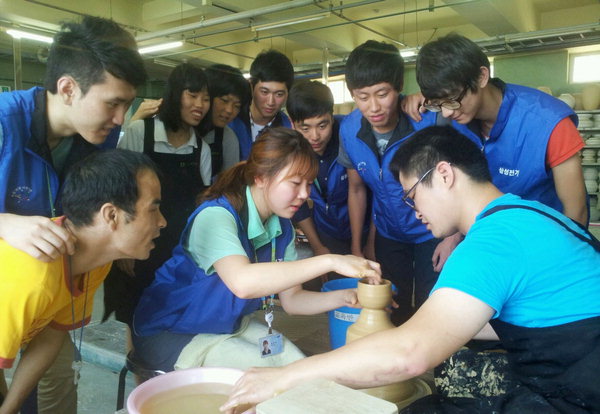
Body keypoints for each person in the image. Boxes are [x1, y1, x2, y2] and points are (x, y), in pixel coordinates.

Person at [222, 126, 600, 414]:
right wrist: (409, 332)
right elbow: (487, 319)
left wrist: (282, 378)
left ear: (445, 175)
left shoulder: (493, 242)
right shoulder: (525, 214)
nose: (413, 211)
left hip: (580, 390)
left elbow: (410, 356)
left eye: (412, 196)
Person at [131, 127, 381, 373]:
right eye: (295, 183)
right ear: (260, 178)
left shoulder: (282, 227)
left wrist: (346, 298)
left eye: (308, 184)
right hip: (170, 332)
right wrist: (330, 261)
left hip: (225, 326)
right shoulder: (216, 216)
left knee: (298, 366)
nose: (304, 195)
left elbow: (292, 300)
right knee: (272, 379)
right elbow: (243, 283)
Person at [0, 15, 146, 414]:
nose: (120, 119)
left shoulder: (101, 136)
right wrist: (5, 223)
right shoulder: (4, 124)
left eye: (127, 104)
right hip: (7, 297)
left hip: (53, 295)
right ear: (67, 88)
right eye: (113, 103)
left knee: (58, 381)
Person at [0, 149, 166, 414]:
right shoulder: (32, 275)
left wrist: (11, 406)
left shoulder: (94, 264)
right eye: (153, 210)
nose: (162, 222)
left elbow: (51, 334)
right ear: (111, 215)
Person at [337, 40, 475, 325]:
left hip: (433, 231)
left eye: (382, 93)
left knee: (433, 304)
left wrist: (452, 237)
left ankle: (436, 367)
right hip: (389, 233)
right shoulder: (349, 130)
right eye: (362, 96)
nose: (373, 106)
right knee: (390, 304)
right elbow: (356, 188)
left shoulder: (429, 120)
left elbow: (461, 181)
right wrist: (357, 245)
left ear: (399, 86)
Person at [403, 33, 588, 226]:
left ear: (482, 77)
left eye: (451, 100)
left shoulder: (549, 122)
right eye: (438, 104)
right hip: (490, 234)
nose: (447, 113)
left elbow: (577, 212)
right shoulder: (457, 118)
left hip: (543, 237)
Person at [103, 63, 212, 326]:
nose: (200, 104)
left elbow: (203, 203)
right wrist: (122, 250)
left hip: (179, 252)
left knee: (173, 312)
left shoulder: (201, 148)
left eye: (206, 99)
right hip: (138, 246)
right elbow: (118, 193)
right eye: (193, 95)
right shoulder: (140, 133)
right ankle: (137, 366)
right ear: (175, 95)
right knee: (135, 312)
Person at [287, 80, 368, 260]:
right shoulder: (292, 148)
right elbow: (298, 205)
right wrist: (318, 246)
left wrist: (358, 246)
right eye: (305, 128)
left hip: (364, 228)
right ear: (293, 124)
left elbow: (360, 189)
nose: (315, 137)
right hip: (327, 231)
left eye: (322, 126)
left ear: (332, 116)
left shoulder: (351, 137)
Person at [229, 50, 293, 160]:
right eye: (264, 92)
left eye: (279, 94)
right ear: (251, 86)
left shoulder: (288, 130)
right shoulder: (231, 119)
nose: (270, 102)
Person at [201, 64, 251, 177]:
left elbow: (228, 183)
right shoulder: (182, 130)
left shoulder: (227, 138)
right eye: (224, 100)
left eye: (237, 106)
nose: (229, 110)